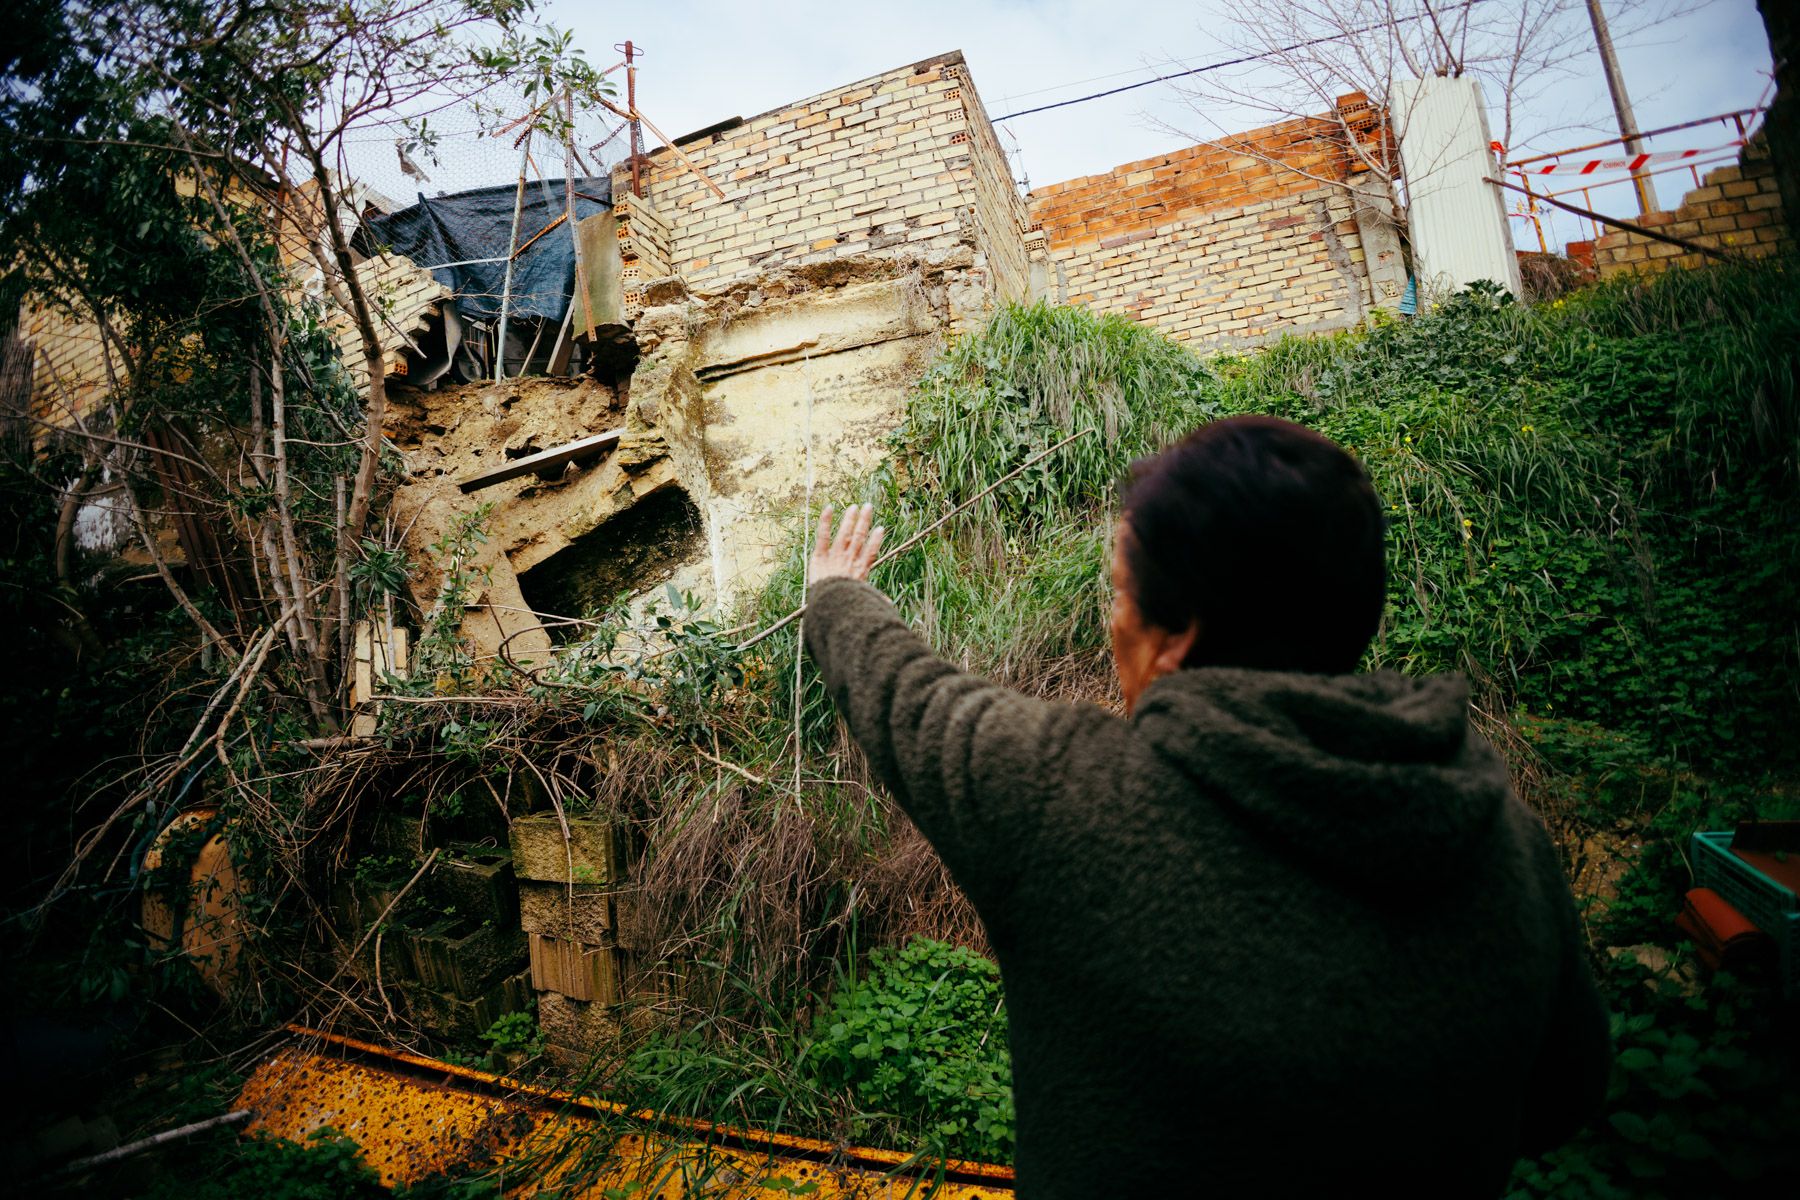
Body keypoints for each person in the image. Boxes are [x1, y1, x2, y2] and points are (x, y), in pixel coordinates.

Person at [802, 414, 1610, 1198]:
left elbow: (910, 699)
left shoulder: (1067, 801)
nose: (1112, 619)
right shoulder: (1503, 835)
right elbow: (1565, 1095)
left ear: (1177, 633)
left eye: (1119, 590)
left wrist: (836, 593)